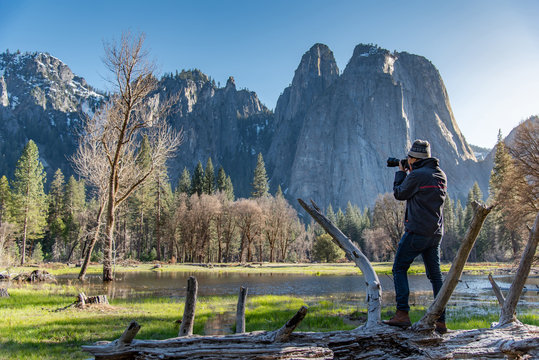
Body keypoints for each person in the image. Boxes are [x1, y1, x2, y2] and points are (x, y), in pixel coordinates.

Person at [382, 139, 448, 334]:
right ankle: (441, 321)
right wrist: (410, 171)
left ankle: (402, 314)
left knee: (399, 268)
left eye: (409, 157)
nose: (407, 159)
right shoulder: (440, 174)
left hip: (416, 232)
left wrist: (401, 173)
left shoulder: (416, 175)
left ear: (414, 159)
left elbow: (399, 193)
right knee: (435, 277)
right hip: (435, 233)